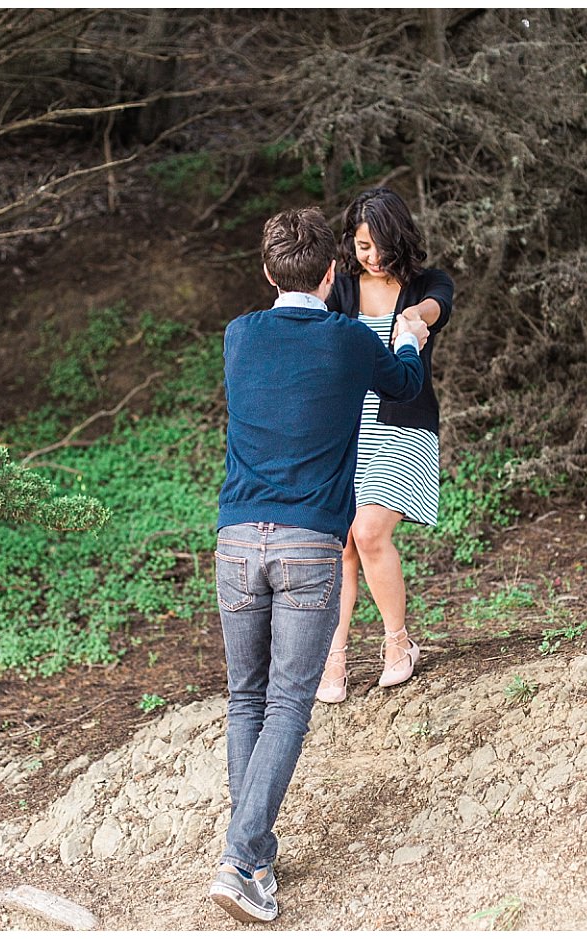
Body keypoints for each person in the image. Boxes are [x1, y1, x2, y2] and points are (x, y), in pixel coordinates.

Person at [208, 206, 429, 923]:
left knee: (247, 697)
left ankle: (255, 856)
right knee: (288, 704)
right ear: (333, 272)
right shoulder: (346, 340)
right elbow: (401, 386)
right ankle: (241, 858)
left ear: (268, 272)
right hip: (307, 545)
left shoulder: (239, 335)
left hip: (238, 540)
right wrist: (411, 337)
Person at [315, 187, 455, 704]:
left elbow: (434, 308)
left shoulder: (429, 282)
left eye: (375, 246)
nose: (367, 257)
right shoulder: (345, 288)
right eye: (359, 246)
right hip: (348, 428)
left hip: (402, 424)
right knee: (340, 544)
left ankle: (398, 645)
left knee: (368, 531)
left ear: (398, 238)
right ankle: (333, 658)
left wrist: (412, 319)